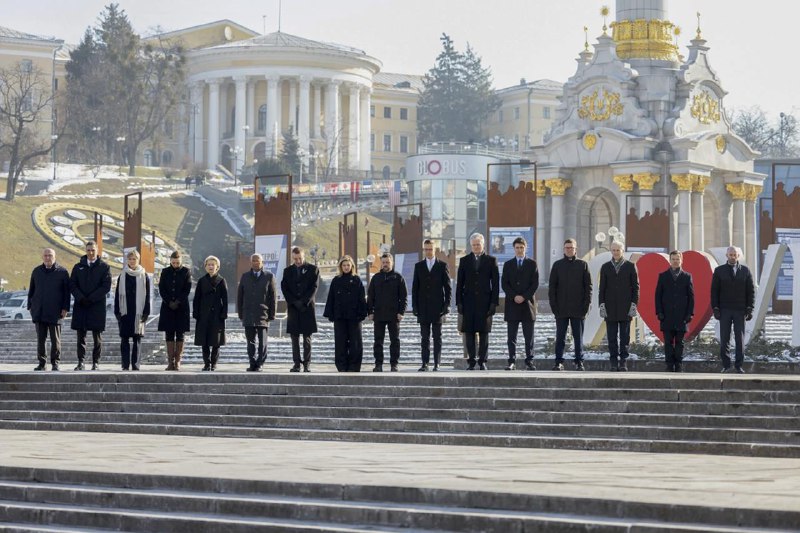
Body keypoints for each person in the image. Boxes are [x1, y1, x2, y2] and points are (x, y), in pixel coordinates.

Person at [456, 233, 499, 370]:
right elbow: (459, 284)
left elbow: (496, 284)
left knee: (484, 332)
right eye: (473, 245)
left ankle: (482, 361)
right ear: (471, 246)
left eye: (478, 244)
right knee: (469, 332)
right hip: (468, 302)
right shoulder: (464, 261)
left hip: (485, 302)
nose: (476, 247)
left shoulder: (491, 260)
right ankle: (471, 361)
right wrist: (459, 302)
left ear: (483, 245)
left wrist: (493, 303)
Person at [548, 239, 592, 371]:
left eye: (571, 247)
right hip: (561, 309)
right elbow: (552, 288)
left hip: (578, 309)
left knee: (578, 338)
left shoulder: (583, 265)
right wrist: (554, 306)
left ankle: (579, 362)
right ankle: (558, 362)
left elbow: (588, 287)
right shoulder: (557, 265)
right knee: (560, 337)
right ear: (563, 249)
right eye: (567, 247)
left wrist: (586, 305)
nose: (569, 250)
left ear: (575, 249)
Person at [711, 246, 755, 373]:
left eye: (734, 254)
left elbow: (750, 292)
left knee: (739, 338)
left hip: (740, 310)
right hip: (724, 309)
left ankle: (738, 365)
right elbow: (714, 291)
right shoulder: (719, 271)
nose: (732, 256)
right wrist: (715, 308)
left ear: (738, 256)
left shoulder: (745, 271)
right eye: (730, 254)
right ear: (727, 256)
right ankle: (726, 365)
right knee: (724, 338)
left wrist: (750, 308)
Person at [69, 241, 111, 371]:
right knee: (80, 336)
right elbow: (72, 285)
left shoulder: (104, 267)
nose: (90, 253)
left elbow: (106, 286)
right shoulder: (77, 267)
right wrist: (81, 298)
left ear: (97, 251)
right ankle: (81, 362)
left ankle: (95, 362)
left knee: (97, 337)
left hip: (96, 306)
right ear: (85, 251)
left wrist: (91, 298)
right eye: (88, 250)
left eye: (93, 250)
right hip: (81, 305)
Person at [598, 242, 639, 371]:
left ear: (622, 250)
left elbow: (635, 288)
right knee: (611, 337)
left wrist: (633, 304)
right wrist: (602, 304)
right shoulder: (605, 267)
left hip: (625, 308)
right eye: (613, 250)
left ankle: (623, 361)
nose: (615, 252)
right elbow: (602, 288)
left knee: (624, 337)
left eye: (618, 250)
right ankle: (613, 362)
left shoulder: (630, 266)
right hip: (610, 308)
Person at [412, 239, 451, 371]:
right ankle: (425, 363)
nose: (428, 251)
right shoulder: (418, 266)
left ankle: (437, 363)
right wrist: (415, 307)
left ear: (435, 250)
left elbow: (448, 288)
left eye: (430, 249)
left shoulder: (442, 265)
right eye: (426, 249)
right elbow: (415, 288)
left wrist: (447, 305)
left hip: (437, 308)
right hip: (423, 308)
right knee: (424, 337)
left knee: (437, 337)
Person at [28, 248, 70, 371]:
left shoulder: (62, 272)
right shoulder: (36, 271)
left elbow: (67, 293)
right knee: (41, 339)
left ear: (54, 256)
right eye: (45, 255)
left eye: (50, 255)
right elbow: (32, 290)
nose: (47, 258)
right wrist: (30, 306)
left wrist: (65, 308)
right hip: (39, 311)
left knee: (55, 340)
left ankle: (55, 363)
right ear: (42, 257)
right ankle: (42, 363)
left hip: (55, 312)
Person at [323, 255, 367, 372]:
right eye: (344, 265)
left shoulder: (357, 280)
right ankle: (342, 366)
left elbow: (361, 298)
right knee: (340, 342)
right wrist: (330, 313)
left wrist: (362, 313)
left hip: (354, 317)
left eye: (348, 265)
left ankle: (354, 366)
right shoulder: (336, 280)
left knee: (355, 343)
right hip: (340, 316)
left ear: (352, 266)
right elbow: (331, 298)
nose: (346, 267)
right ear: (340, 267)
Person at [501, 237, 539, 371]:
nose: (519, 250)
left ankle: (529, 361)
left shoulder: (532, 264)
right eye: (517, 247)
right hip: (512, 305)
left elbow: (535, 284)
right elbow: (504, 284)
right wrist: (514, 296)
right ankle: (512, 361)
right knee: (511, 337)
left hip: (527, 305)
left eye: (521, 247)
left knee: (529, 337)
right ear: (514, 249)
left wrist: (523, 296)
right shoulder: (508, 264)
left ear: (525, 248)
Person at [281, 246, 319, 372]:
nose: (297, 261)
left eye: (300, 258)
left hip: (307, 308)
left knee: (307, 338)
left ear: (304, 256)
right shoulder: (287, 271)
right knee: (294, 337)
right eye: (295, 259)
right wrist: (293, 302)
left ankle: (307, 364)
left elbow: (314, 288)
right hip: (293, 308)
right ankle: (297, 364)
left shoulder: (313, 269)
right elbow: (284, 288)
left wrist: (303, 302)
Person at [655, 250, 694, 372]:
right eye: (673, 259)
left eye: (678, 259)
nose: (675, 261)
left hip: (682, 315)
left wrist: (690, 314)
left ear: (681, 260)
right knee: (668, 342)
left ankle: (678, 364)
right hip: (666, 315)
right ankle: (669, 365)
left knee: (679, 342)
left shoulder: (687, 276)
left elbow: (691, 297)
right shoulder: (663, 276)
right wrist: (659, 312)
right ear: (669, 260)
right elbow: (658, 296)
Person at [367, 253, 408, 372]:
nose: (385, 264)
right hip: (379, 314)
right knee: (378, 341)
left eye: (387, 262)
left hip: (393, 315)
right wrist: (370, 311)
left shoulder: (398, 277)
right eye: (383, 262)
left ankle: (394, 364)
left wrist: (401, 312)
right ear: (381, 263)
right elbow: (370, 296)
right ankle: (378, 364)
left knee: (394, 340)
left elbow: (403, 297)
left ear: (392, 263)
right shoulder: (376, 278)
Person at [238, 253, 276, 372]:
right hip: (248, 314)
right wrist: (241, 313)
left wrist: (272, 314)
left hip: (263, 314)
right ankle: (252, 363)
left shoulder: (269, 276)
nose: (255, 262)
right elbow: (240, 296)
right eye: (253, 260)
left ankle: (260, 363)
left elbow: (272, 297)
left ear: (262, 262)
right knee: (250, 342)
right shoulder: (245, 276)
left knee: (262, 342)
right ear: (251, 262)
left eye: (258, 261)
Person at [114, 250, 151, 371]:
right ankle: (125, 365)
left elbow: (148, 295)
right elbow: (117, 295)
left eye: (134, 259)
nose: (132, 261)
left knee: (137, 339)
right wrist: (117, 311)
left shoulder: (144, 275)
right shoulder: (122, 275)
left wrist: (146, 311)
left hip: (138, 312)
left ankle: (136, 364)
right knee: (124, 339)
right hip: (125, 311)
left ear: (138, 260)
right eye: (130, 259)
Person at [157, 250, 192, 371]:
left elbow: (187, 289)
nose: (175, 264)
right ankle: (170, 362)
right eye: (173, 262)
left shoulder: (186, 271)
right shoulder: (165, 271)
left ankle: (177, 361)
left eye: (177, 262)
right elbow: (161, 288)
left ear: (181, 261)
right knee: (169, 333)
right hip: (167, 307)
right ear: (170, 261)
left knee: (180, 334)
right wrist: (169, 301)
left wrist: (177, 302)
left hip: (181, 307)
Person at [193, 256, 228, 371]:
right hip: (204, 314)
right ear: (205, 266)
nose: (211, 266)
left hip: (217, 315)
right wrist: (196, 312)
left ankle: (214, 363)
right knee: (205, 340)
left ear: (217, 267)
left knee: (216, 341)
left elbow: (225, 299)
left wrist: (224, 313)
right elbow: (197, 298)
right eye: (209, 264)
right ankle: (206, 363)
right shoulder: (202, 281)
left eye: (213, 264)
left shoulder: (221, 280)